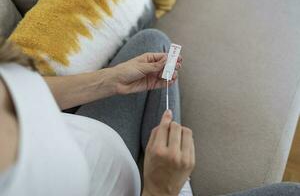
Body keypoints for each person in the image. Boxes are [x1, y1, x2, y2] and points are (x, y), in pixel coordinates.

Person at [0, 29, 299, 196]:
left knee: (153, 41)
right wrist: (162, 187)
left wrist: (109, 81)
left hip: (93, 140)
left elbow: (27, 90)